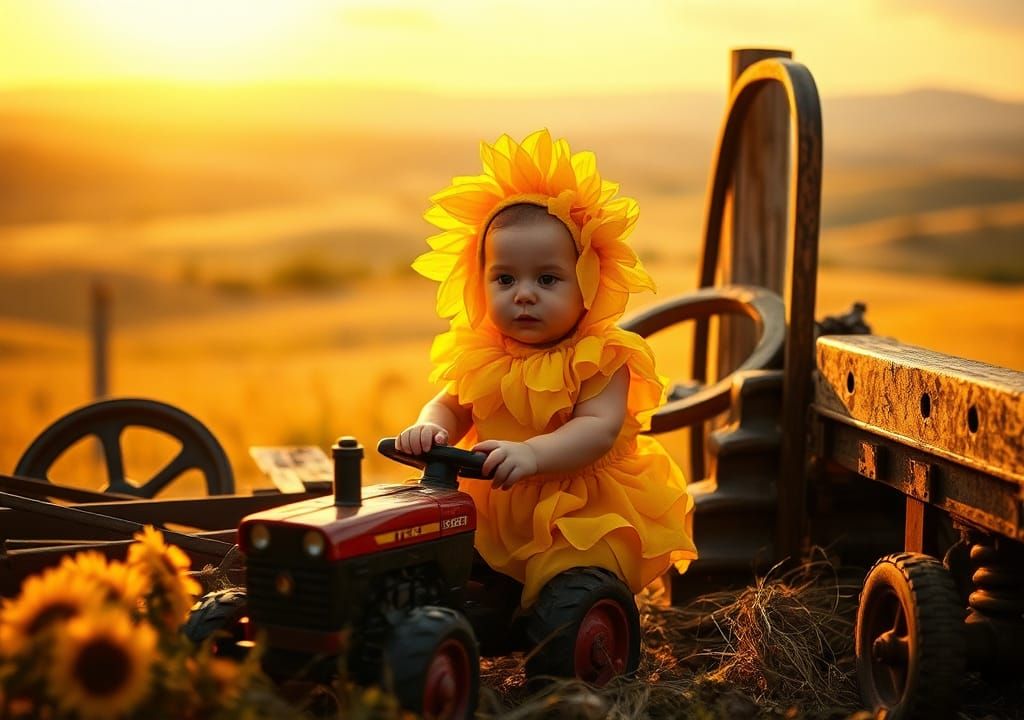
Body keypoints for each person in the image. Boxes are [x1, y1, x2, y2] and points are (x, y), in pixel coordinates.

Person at [397, 129, 696, 607]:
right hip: (494, 503)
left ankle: (575, 628)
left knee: (567, 583)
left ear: (589, 283)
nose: (524, 294)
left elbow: (597, 429)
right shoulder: (481, 353)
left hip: (576, 511)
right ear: (479, 282)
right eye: (504, 278)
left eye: (548, 279)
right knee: (438, 565)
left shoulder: (599, 357)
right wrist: (430, 426)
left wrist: (533, 455)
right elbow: (451, 405)